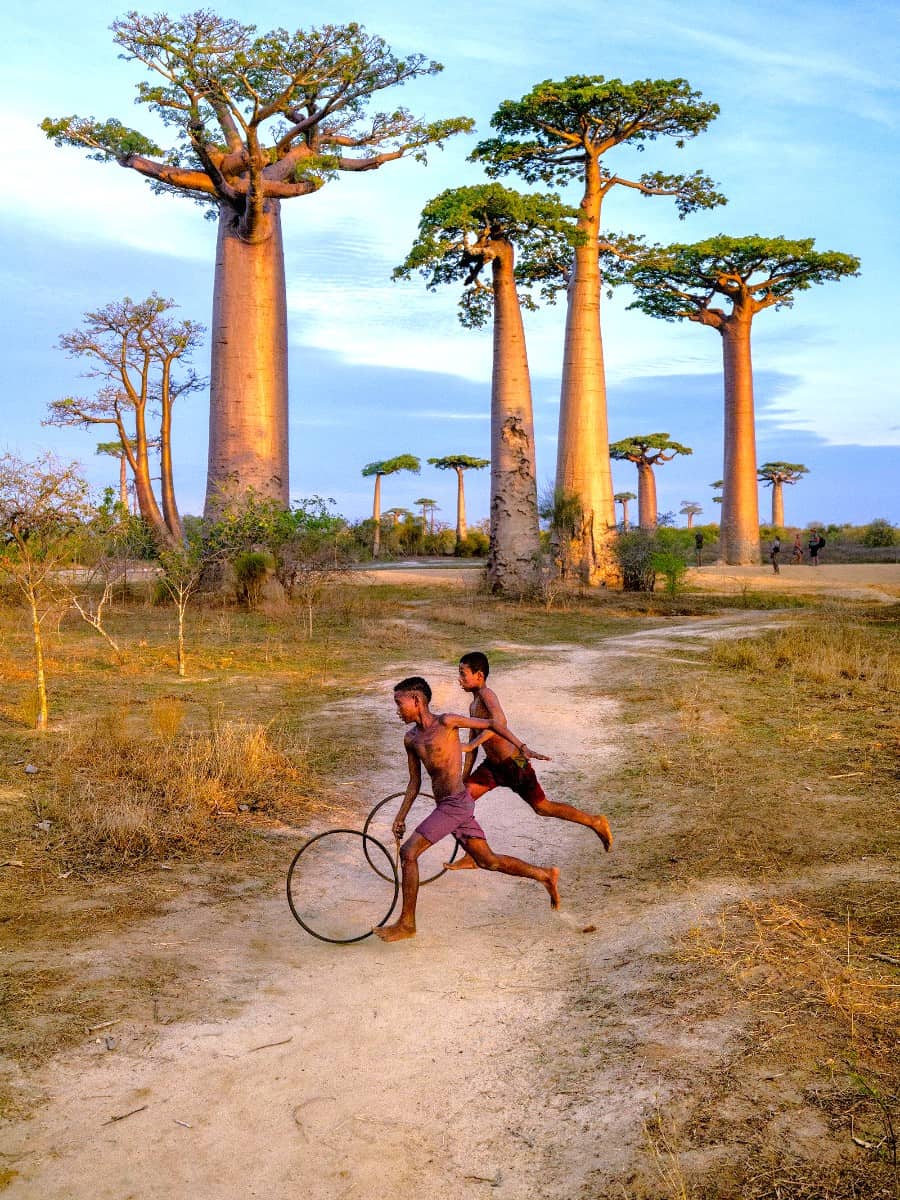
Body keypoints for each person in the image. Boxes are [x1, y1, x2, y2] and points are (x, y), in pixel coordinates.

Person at [373, 676, 560, 942]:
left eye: (399, 703)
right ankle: (545, 875)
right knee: (488, 861)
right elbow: (414, 782)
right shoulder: (410, 739)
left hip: (455, 804)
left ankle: (407, 924)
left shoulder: (447, 722)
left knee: (409, 852)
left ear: (416, 700)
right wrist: (400, 817)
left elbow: (494, 724)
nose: (397, 709)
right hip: (449, 805)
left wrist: (522, 748)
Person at [444, 652, 613, 873]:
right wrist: (464, 776)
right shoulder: (473, 706)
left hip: (515, 762)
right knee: (462, 800)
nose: (460, 679)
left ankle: (595, 821)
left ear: (479, 675)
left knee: (542, 807)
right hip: (493, 767)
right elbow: (471, 749)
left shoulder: (487, 695)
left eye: (463, 674)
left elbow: (499, 722)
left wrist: (473, 744)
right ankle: (473, 853)